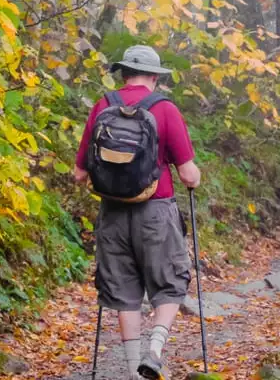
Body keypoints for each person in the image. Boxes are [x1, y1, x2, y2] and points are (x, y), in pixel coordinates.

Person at [74, 45, 201, 380]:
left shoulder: (104, 105)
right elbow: (188, 175)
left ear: (124, 72)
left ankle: (133, 372)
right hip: (156, 213)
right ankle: (155, 352)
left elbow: (79, 173)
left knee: (123, 292)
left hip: (112, 215)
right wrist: (194, 177)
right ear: (155, 77)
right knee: (170, 284)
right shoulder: (165, 109)